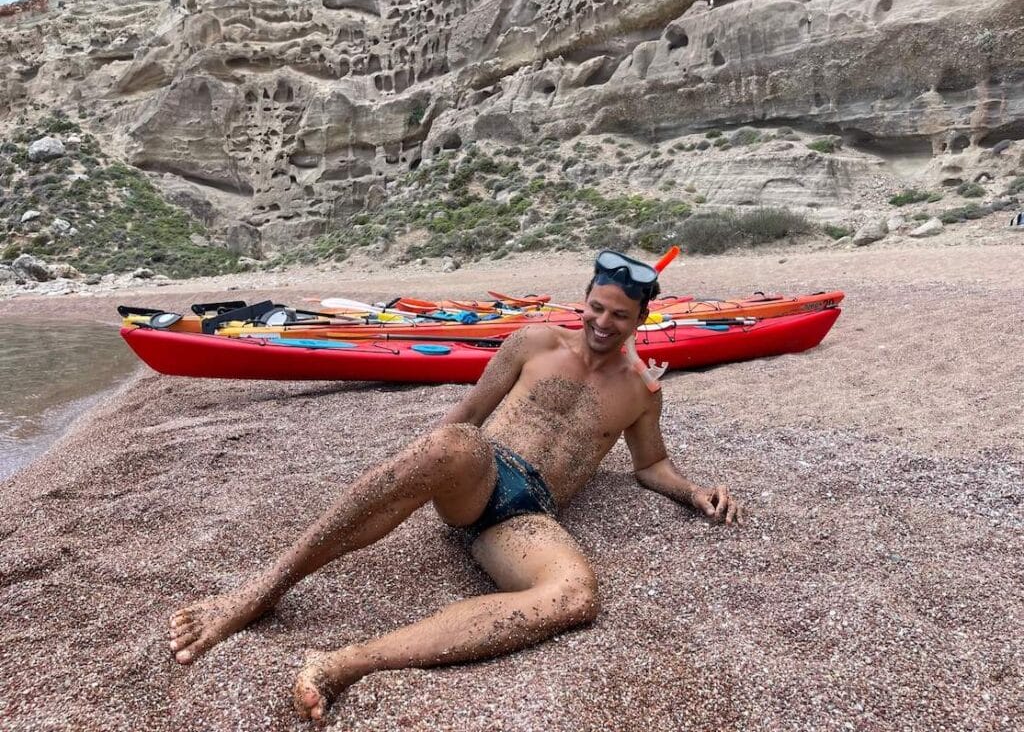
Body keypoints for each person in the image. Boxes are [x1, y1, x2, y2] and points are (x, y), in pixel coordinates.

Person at [168, 250, 745, 721]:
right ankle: (262, 591)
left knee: (576, 596)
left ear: (640, 319)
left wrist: (694, 493)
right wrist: (418, 471)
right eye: (596, 307)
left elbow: (650, 465)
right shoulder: (534, 343)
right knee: (458, 443)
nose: (602, 322)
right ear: (584, 300)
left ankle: (348, 662)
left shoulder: (642, 391)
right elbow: (466, 414)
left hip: (528, 517)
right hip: (479, 469)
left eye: (619, 315)